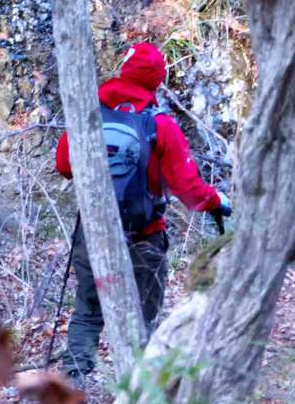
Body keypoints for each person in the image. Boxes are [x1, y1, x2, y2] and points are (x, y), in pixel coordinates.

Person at [54, 41, 231, 385]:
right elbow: (189, 189)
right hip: (144, 236)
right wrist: (216, 202)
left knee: (88, 311)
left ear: (124, 70)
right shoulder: (159, 125)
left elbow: (64, 165)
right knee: (142, 319)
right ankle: (139, 389)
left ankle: (73, 384)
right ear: (157, 81)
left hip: (92, 232)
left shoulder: (90, 113)